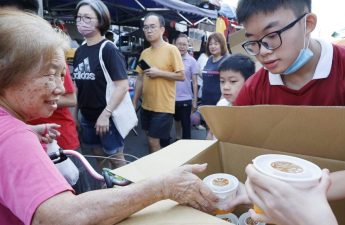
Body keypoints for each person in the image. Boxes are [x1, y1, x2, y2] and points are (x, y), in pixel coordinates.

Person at [0, 10, 218, 224]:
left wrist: (27, 132)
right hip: (98, 115)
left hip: (148, 108)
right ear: (7, 72)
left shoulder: (113, 49)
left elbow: (130, 84)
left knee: (124, 152)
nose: (60, 88)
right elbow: (59, 217)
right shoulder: (13, 138)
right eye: (50, 74)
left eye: (61, 75)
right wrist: (163, 186)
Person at [234, 0, 345, 138]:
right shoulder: (254, 89)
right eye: (253, 42)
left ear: (308, 23)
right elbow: (234, 139)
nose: (263, 51)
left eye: (272, 35)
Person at [72, 0, 129, 169]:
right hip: (87, 118)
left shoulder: (108, 49)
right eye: (79, 17)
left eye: (88, 17)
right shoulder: (79, 51)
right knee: (99, 158)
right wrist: (74, 115)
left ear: (101, 20)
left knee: (117, 160)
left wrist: (106, 114)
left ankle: (126, 192)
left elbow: (122, 86)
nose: (82, 21)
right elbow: (77, 86)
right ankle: (107, 187)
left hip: (108, 119)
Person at [132, 13, 184, 152]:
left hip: (163, 106)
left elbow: (181, 76)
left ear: (162, 29)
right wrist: (134, 102)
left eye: (152, 27)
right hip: (146, 105)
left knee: (153, 141)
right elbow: (140, 78)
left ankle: (160, 171)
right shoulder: (145, 53)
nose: (148, 30)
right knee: (150, 140)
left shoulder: (172, 50)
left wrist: (159, 72)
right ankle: (158, 167)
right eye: (146, 27)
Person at [201, 32, 229, 139]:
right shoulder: (209, 59)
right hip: (206, 100)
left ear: (222, 44)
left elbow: (227, 82)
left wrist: (221, 103)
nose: (212, 46)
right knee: (209, 128)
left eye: (216, 43)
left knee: (216, 132)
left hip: (218, 101)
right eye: (210, 44)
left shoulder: (226, 60)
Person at [174, 34, 199, 140]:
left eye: (184, 44)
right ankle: (178, 139)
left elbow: (195, 82)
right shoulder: (172, 59)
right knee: (176, 121)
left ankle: (186, 145)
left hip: (186, 98)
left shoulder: (192, 61)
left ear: (188, 46)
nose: (182, 47)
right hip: (172, 98)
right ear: (175, 45)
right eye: (179, 44)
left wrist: (195, 100)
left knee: (186, 124)